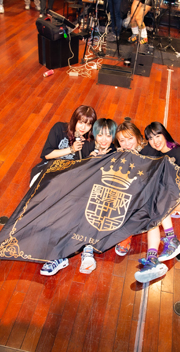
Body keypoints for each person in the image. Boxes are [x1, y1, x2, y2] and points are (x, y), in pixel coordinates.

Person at [37, 105, 97, 276]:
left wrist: (91, 159)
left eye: (88, 124)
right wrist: (70, 149)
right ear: (74, 120)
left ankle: (62, 253)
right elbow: (46, 154)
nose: (83, 127)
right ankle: (58, 253)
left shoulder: (89, 142)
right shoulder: (59, 129)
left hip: (69, 181)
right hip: (50, 173)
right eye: (81, 122)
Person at [134, 122, 180, 283]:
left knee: (156, 200)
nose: (155, 141)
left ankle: (171, 239)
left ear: (165, 134)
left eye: (158, 136)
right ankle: (152, 259)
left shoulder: (179, 154)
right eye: (150, 138)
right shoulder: (150, 150)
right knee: (153, 215)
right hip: (161, 203)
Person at [76, 118, 118, 274]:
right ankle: (58, 255)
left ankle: (88, 249)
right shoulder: (86, 147)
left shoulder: (116, 152)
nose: (104, 140)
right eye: (100, 135)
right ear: (94, 135)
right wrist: (90, 160)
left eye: (108, 135)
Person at [113, 120, 148, 256]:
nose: (127, 144)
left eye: (130, 138)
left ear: (138, 137)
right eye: (122, 140)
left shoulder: (148, 151)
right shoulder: (121, 153)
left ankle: (126, 235)